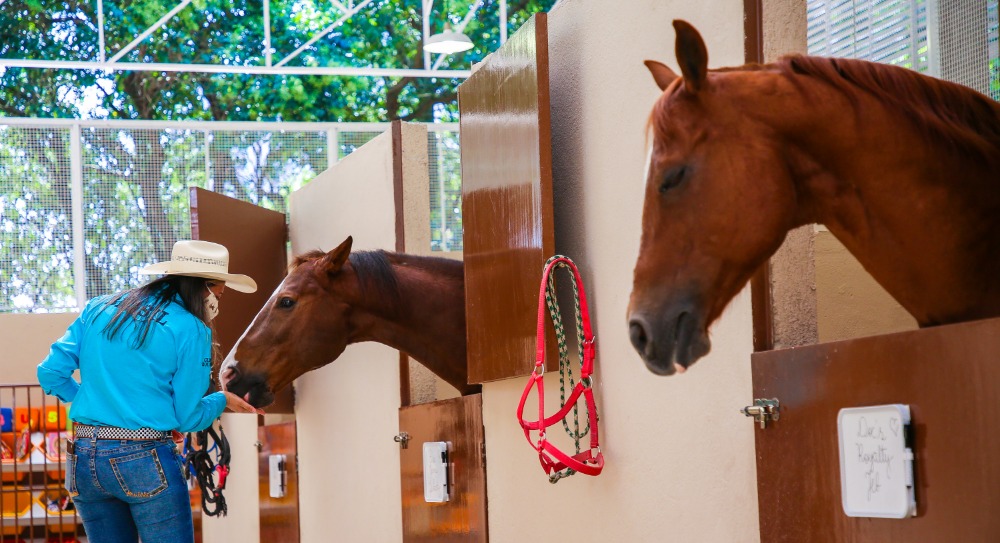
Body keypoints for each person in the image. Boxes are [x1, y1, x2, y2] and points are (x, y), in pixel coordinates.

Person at [37, 240, 264, 543]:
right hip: (144, 459)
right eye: (218, 294)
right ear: (203, 289)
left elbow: (50, 373)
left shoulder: (98, 308)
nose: (216, 304)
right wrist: (221, 399)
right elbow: (187, 418)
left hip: (83, 458)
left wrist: (94, 404)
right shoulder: (191, 328)